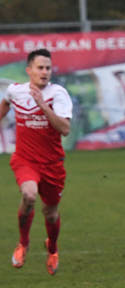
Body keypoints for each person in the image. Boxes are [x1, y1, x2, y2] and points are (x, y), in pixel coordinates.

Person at [0, 48, 73, 275]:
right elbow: (5, 103)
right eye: (40, 68)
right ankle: (23, 243)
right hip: (25, 159)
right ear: (29, 70)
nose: (44, 72)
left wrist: (43, 106)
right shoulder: (15, 90)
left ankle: (52, 248)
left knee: (50, 213)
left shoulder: (58, 94)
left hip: (52, 164)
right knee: (29, 195)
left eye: (48, 68)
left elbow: (65, 129)